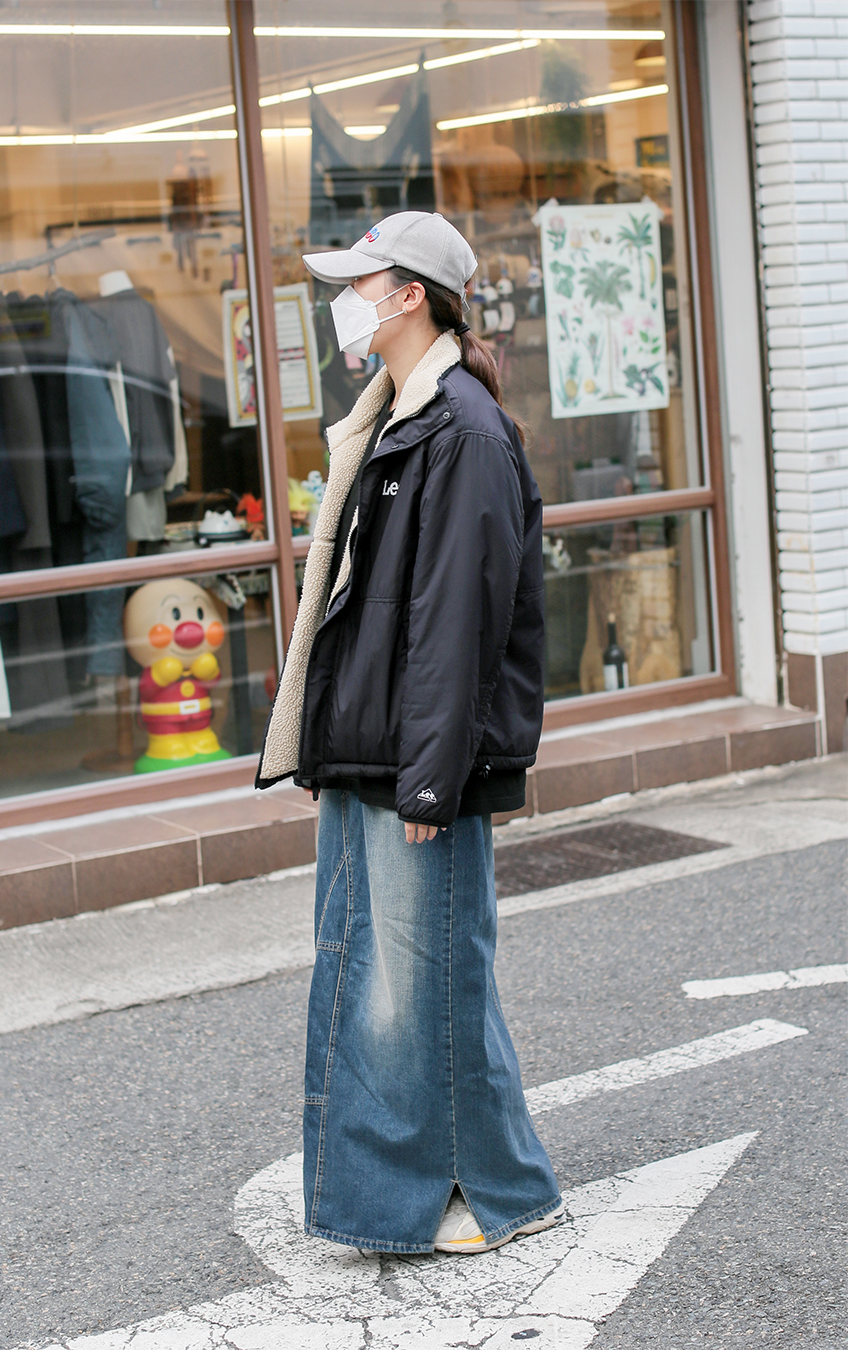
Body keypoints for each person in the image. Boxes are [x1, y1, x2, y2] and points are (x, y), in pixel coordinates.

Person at [256, 211, 563, 1255]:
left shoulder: (461, 430)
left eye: (362, 281)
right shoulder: (394, 417)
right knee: (380, 974)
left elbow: (457, 624)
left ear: (411, 296)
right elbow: (364, 610)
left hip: (416, 761)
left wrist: (430, 781)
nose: (346, 300)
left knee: (425, 985)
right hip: (378, 748)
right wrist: (327, 744)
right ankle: (442, 1189)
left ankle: (498, 1190)